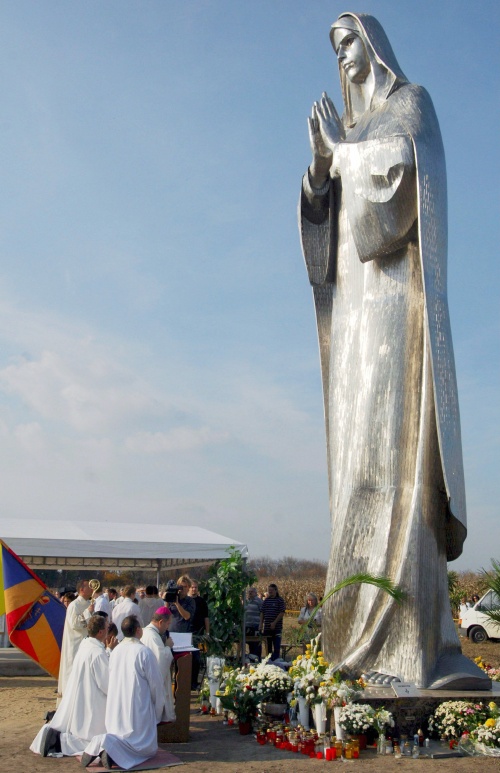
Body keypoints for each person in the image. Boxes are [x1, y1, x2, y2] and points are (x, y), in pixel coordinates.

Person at [299, 12, 487, 689]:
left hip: (392, 312)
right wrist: (322, 173)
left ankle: (408, 643)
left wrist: (344, 155)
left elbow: (402, 187)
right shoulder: (350, 131)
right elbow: (328, 236)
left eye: (348, 39)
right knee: (355, 462)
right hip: (352, 317)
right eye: (333, 47)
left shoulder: (411, 104)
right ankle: (355, 636)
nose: (341, 54)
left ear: (373, 46)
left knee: (391, 449)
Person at [82, 615, 165, 771]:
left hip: (117, 706)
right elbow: (156, 685)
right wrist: (157, 709)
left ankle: (100, 744)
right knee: (144, 748)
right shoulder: (144, 652)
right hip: (137, 707)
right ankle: (111, 749)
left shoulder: (116, 650)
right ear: (139, 631)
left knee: (118, 733)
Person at [31, 615, 111, 758]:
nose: (108, 631)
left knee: (91, 737)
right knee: (96, 741)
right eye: (106, 628)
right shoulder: (97, 653)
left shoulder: (86, 645)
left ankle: (55, 737)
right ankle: (59, 742)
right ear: (100, 632)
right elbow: (106, 684)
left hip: (84, 695)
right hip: (93, 700)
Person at [57, 579, 93, 701]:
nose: (92, 588)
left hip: (86, 643)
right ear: (82, 589)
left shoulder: (89, 603)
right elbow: (75, 624)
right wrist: (88, 613)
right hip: (74, 645)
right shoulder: (74, 605)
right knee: (72, 673)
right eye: (89, 586)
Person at [140, 607, 176, 722]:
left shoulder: (147, 632)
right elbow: (161, 661)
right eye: (167, 624)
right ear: (161, 622)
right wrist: (167, 647)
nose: (167, 627)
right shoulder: (152, 636)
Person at [188, 580, 210, 690]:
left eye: (195, 587)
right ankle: (185, 681)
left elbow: (206, 618)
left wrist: (207, 633)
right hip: (186, 633)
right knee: (186, 659)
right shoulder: (185, 601)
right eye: (192, 587)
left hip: (198, 634)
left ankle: (194, 682)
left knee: (196, 659)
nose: (194, 589)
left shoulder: (202, 602)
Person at [259, 584, 286, 661]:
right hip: (267, 628)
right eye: (269, 590)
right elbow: (262, 612)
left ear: (276, 590)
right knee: (268, 647)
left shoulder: (280, 600)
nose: (270, 592)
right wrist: (261, 624)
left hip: (277, 628)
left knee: (276, 647)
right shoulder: (266, 600)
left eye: (271, 590)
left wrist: (274, 623)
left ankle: (276, 661)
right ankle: (269, 662)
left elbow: (282, 612)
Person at [245, 587, 263, 659]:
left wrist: (261, 624)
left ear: (255, 593)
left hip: (256, 625)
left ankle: (257, 658)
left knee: (257, 642)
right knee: (250, 643)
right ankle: (251, 657)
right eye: (249, 591)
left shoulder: (259, 601)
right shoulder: (246, 601)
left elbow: (262, 613)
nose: (250, 593)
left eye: (252, 591)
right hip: (247, 625)